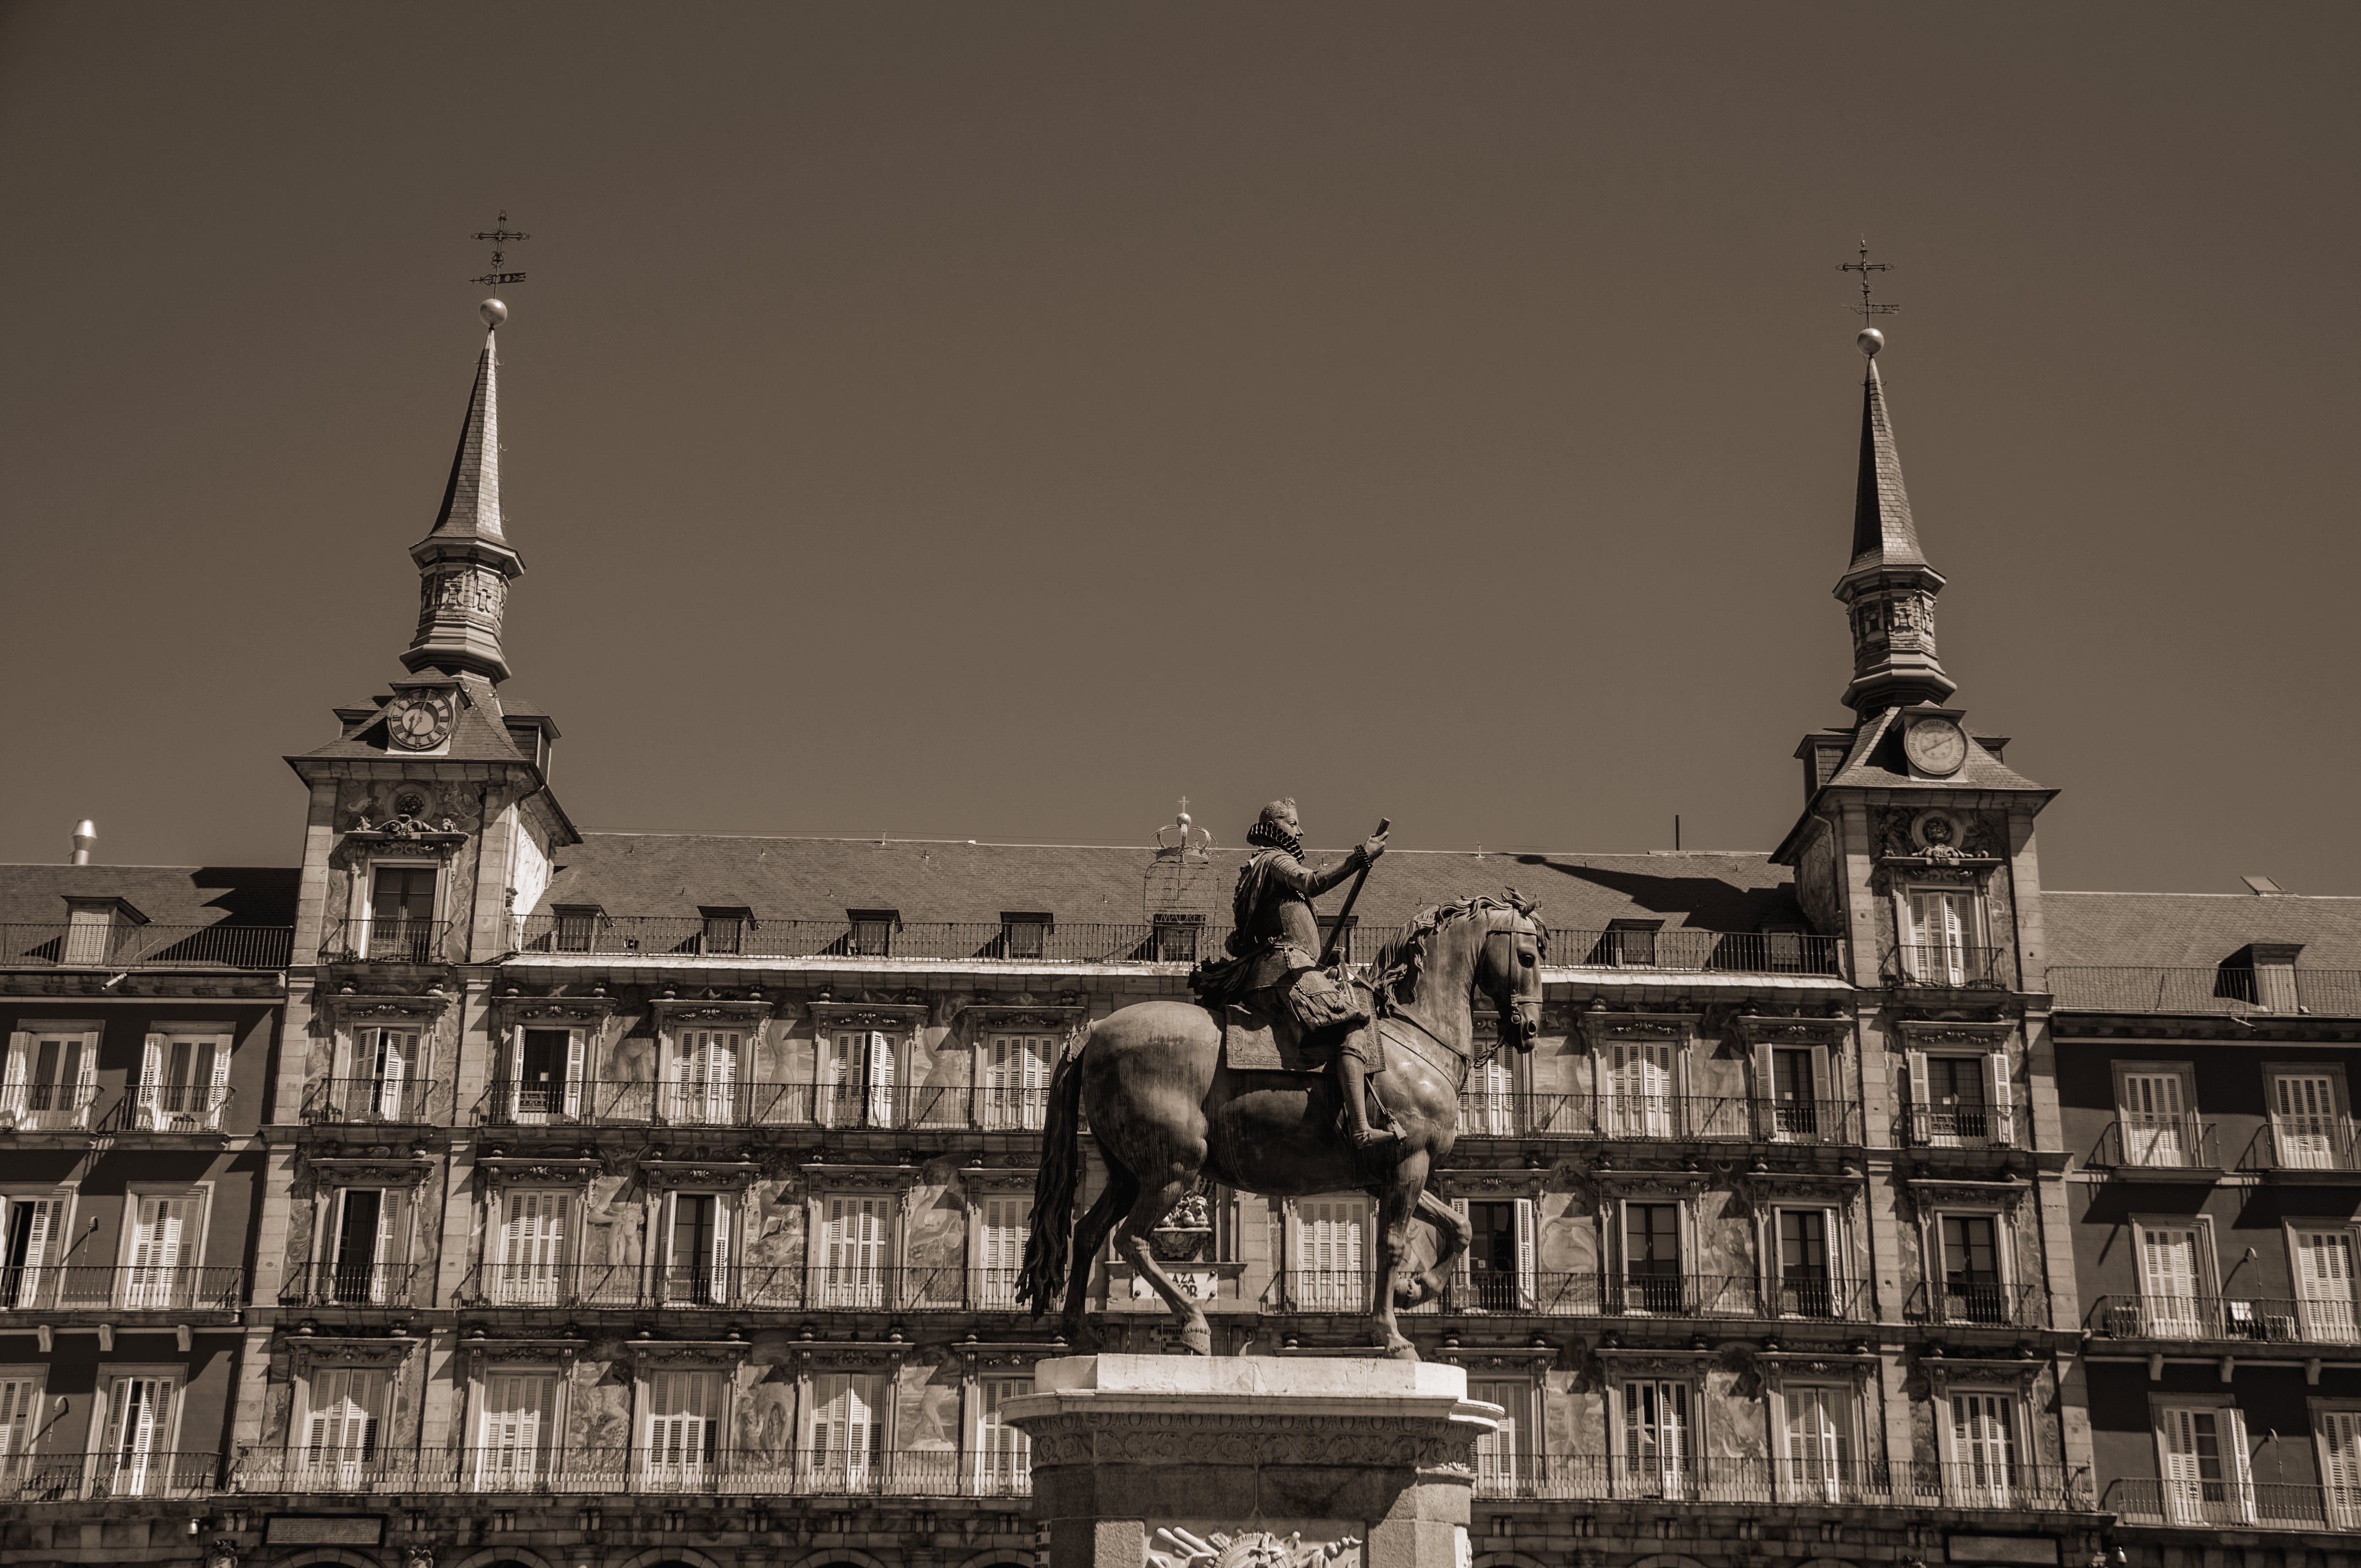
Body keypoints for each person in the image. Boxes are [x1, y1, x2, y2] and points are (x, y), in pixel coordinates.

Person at [1193, 799, 1394, 1148]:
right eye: (1293, 824)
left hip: (1280, 967)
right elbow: (1312, 882)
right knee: (1351, 1024)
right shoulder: (1274, 859)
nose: (1300, 831)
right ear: (1275, 827)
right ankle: (1360, 1127)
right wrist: (1361, 856)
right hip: (1284, 969)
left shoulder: (1259, 867)